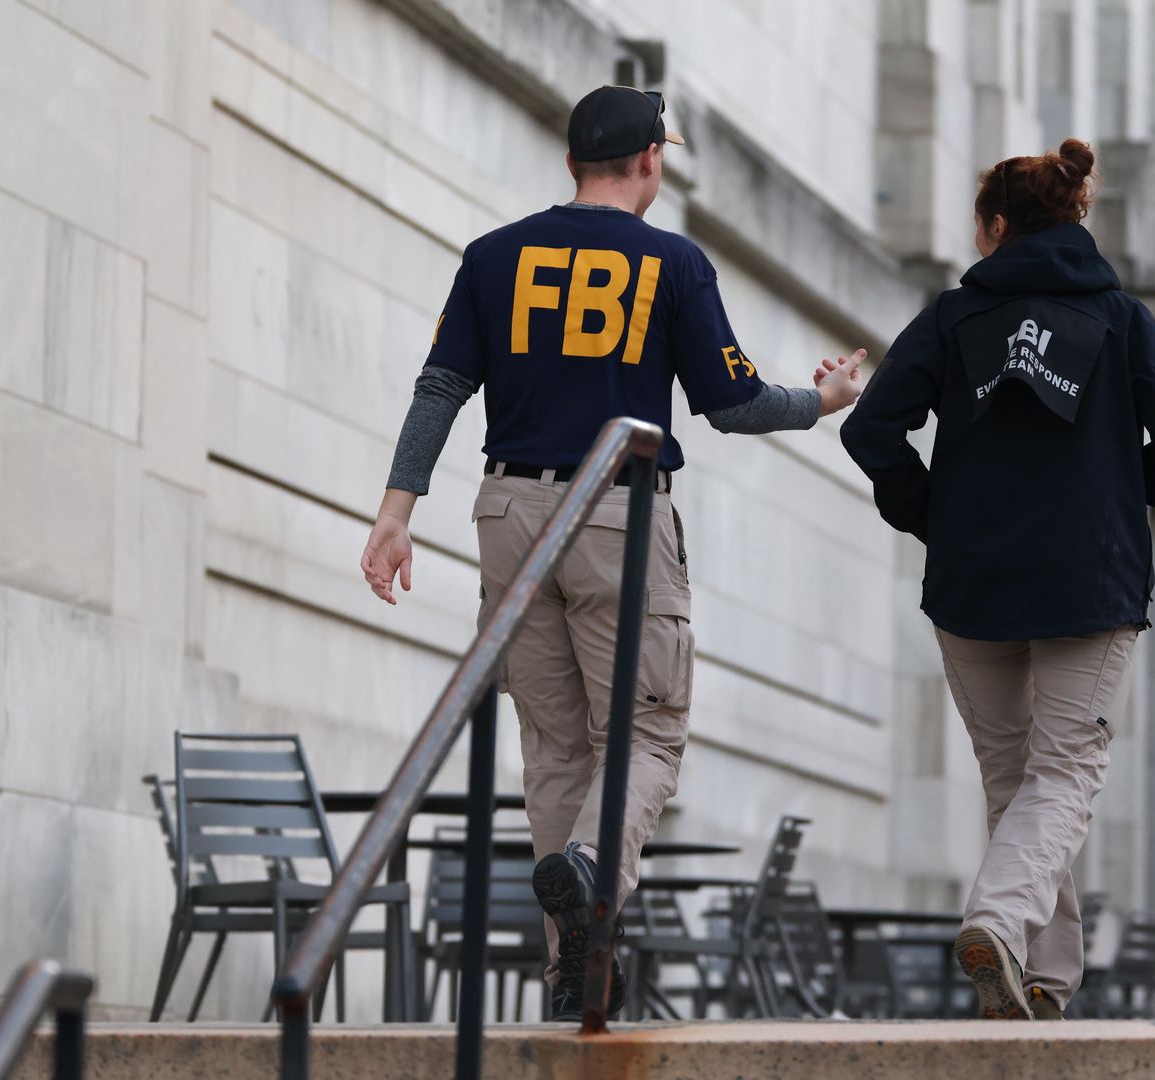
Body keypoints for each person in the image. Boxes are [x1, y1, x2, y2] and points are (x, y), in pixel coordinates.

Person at [360, 85, 866, 1021]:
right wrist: (823, 400)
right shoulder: (673, 262)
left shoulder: (493, 255)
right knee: (644, 729)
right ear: (649, 163)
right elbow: (733, 403)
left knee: (552, 745)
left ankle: (571, 970)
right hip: (616, 514)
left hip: (507, 510)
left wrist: (395, 513)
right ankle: (593, 872)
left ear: (569, 165)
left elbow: (440, 387)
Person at [837, 138, 1155, 1020]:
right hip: (1089, 582)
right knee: (1064, 778)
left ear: (997, 227)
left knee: (1018, 784)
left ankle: (1042, 986)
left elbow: (871, 434)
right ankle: (1003, 929)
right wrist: (1131, 497)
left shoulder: (949, 318)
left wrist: (932, 514)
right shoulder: (1121, 318)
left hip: (973, 584)